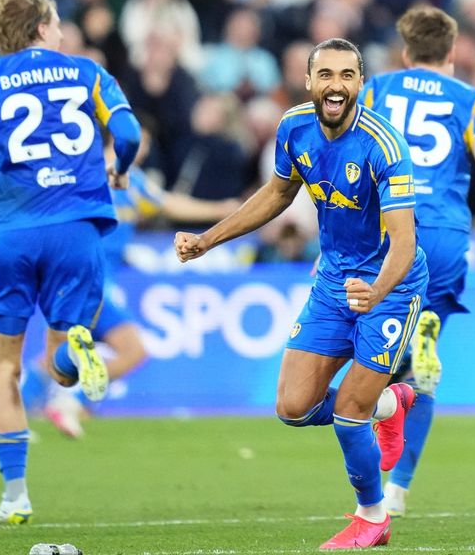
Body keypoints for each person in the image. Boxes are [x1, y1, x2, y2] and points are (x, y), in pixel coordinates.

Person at [174, 38, 425, 550]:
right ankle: (390, 407)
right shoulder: (293, 128)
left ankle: (372, 517)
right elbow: (277, 193)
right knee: (292, 406)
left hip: (389, 287)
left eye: (347, 75)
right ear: (309, 81)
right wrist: (208, 238)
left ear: (360, 83)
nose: (336, 84)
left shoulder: (384, 145)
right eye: (325, 74)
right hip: (334, 280)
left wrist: (377, 291)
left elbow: (405, 240)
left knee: (348, 411)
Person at [0, 0, 141, 525]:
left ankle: (15, 496)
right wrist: (119, 166)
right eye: (59, 23)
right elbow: (129, 132)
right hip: (76, 229)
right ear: (44, 27)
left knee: (5, 366)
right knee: (57, 364)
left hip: (11, 231)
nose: (65, 31)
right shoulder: (89, 72)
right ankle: (75, 354)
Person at [359, 5, 475, 516]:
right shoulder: (472, 101)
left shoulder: (377, 90)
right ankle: (400, 489)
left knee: (373, 360)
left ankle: (374, 486)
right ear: (451, 52)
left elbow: (353, 158)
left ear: (405, 52)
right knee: (421, 373)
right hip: (446, 236)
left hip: (388, 230)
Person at [43, 128, 238, 438]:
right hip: (86, 280)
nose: (143, 149)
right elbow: (168, 204)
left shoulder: (119, 178)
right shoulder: (101, 177)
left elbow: (168, 204)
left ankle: (23, 413)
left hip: (75, 281)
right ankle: (71, 402)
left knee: (57, 354)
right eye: (139, 142)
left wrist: (219, 211)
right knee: (133, 350)